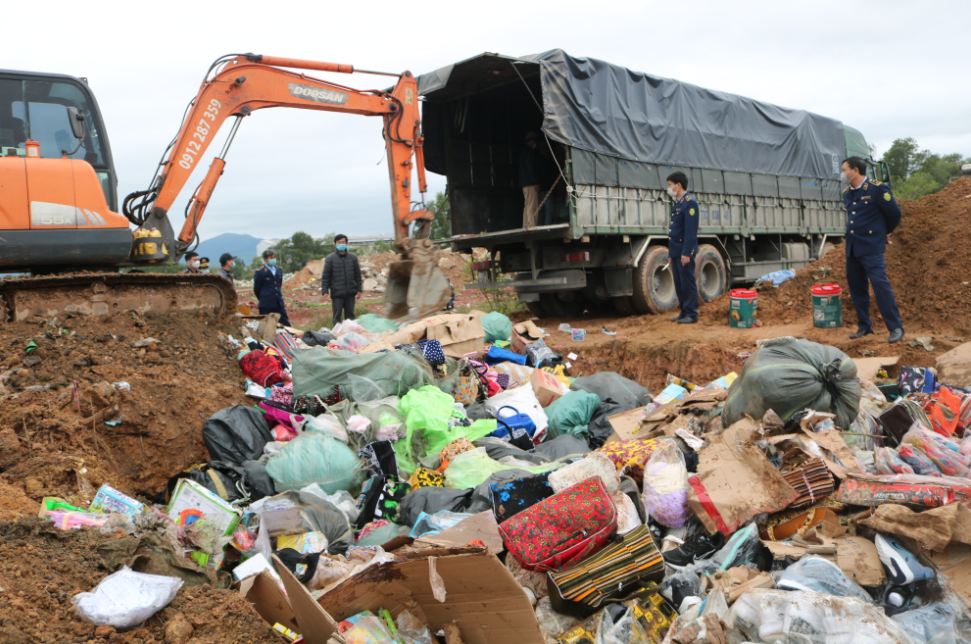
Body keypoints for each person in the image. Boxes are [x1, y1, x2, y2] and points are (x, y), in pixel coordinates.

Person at [841, 157, 904, 343]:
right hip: (853, 247)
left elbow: (895, 213)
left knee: (880, 285)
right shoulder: (847, 193)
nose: (842, 173)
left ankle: (895, 327)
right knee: (857, 287)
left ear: (855, 170)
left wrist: (886, 232)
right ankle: (864, 326)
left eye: (844, 169)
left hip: (871, 247)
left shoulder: (877, 188)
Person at [666, 171, 699, 324]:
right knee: (679, 283)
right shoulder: (679, 203)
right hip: (676, 250)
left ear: (678, 185)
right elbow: (674, 229)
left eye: (670, 185)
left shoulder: (690, 202)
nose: (668, 188)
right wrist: (672, 253)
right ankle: (684, 311)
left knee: (687, 282)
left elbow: (690, 231)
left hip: (684, 250)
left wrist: (687, 252)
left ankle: (692, 314)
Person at [320, 234, 362, 326]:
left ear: (346, 243)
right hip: (337, 293)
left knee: (350, 316)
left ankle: (350, 335)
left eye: (343, 242)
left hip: (350, 292)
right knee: (337, 316)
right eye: (339, 242)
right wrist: (325, 291)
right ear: (335, 244)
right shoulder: (330, 259)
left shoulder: (353, 258)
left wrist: (359, 289)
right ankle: (337, 335)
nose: (341, 244)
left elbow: (357, 275)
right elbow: (326, 276)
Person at [253, 249, 290, 326]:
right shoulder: (261, 272)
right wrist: (263, 298)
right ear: (265, 259)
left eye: (274, 257)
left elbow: (278, 285)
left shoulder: (279, 270)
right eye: (271, 257)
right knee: (266, 325)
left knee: (285, 324)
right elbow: (257, 289)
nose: (273, 259)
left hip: (278, 302)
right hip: (266, 303)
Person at [519, 131, 542, 228]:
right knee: (532, 205)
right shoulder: (529, 153)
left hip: (525, 183)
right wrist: (535, 182)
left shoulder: (523, 152)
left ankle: (526, 225)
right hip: (530, 183)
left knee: (527, 205)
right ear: (532, 141)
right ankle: (531, 225)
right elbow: (530, 168)